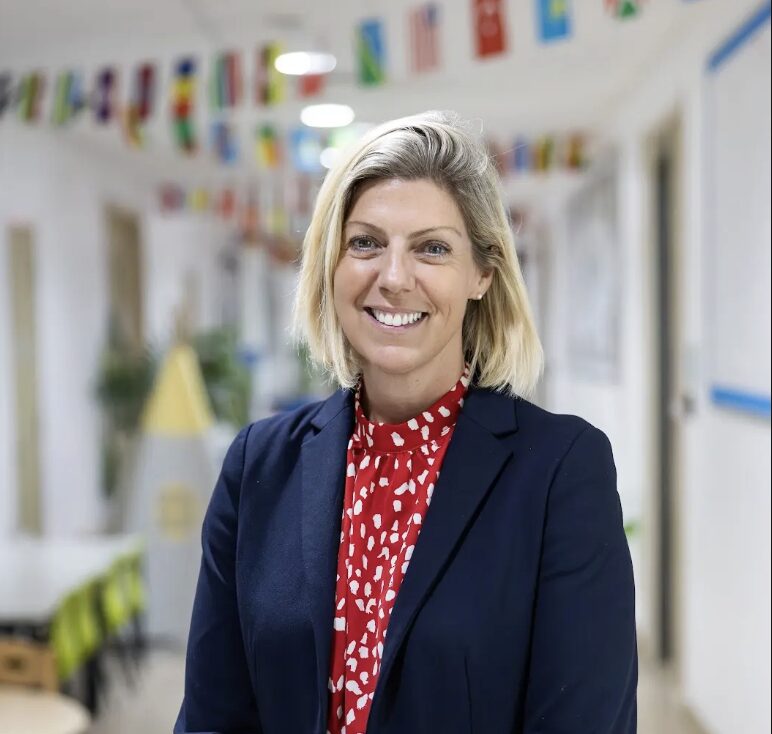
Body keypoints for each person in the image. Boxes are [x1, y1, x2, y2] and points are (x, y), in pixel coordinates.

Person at [174, 111, 637, 734]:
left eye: (432, 248)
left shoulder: (561, 471)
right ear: (331, 265)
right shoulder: (259, 465)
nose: (393, 278)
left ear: (482, 274)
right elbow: (212, 716)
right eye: (365, 243)